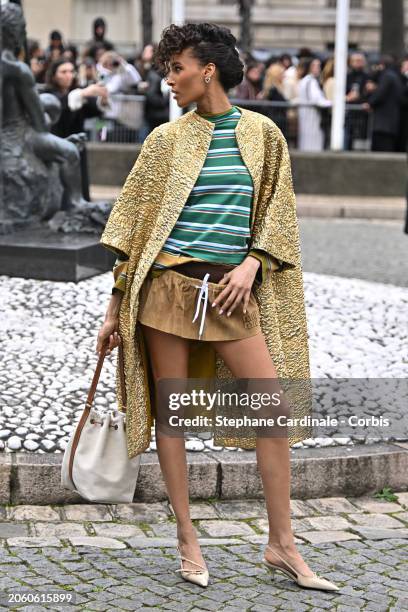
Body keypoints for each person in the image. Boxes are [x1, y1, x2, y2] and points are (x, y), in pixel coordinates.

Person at [96, 22, 339, 593]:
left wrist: (252, 264)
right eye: (165, 71)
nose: (169, 81)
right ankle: (187, 538)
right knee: (174, 420)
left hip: (231, 293)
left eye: (176, 69)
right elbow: (133, 229)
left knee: (273, 412)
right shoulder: (165, 141)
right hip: (167, 289)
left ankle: (282, 544)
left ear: (207, 69)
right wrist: (113, 308)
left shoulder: (262, 134)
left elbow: (278, 214)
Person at [43, 59, 109, 199]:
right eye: (63, 71)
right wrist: (83, 93)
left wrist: (102, 99)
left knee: (79, 180)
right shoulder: (48, 93)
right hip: (58, 143)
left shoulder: (77, 92)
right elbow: (60, 106)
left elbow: (93, 110)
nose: (68, 75)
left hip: (77, 145)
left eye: (71, 71)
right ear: (54, 75)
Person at [363, 55, 403, 152]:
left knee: (382, 148)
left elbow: (380, 93)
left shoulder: (387, 76)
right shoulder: (394, 76)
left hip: (384, 124)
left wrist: (370, 103)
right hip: (390, 123)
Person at [298, 57, 332, 151]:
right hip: (312, 118)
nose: (318, 68)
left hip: (308, 117)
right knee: (313, 143)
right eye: (315, 66)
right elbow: (317, 100)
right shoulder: (310, 81)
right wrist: (333, 103)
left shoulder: (305, 80)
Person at [344, 52, 369, 150]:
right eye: (357, 61)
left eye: (361, 61)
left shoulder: (367, 76)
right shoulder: (347, 76)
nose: (359, 63)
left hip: (362, 113)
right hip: (349, 111)